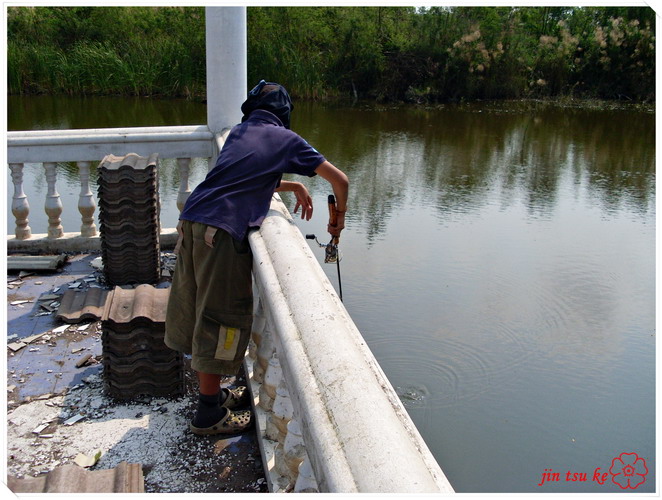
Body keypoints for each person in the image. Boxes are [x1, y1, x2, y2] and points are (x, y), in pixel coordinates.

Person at [164, 80, 349, 435]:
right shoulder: (287, 140)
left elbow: (242, 173)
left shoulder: (239, 132)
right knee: (220, 316)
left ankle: (214, 396)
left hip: (193, 221)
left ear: (251, 110)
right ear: (285, 115)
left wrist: (289, 184)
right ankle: (209, 415)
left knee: (195, 304)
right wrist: (337, 222)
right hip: (221, 231)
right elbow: (340, 181)